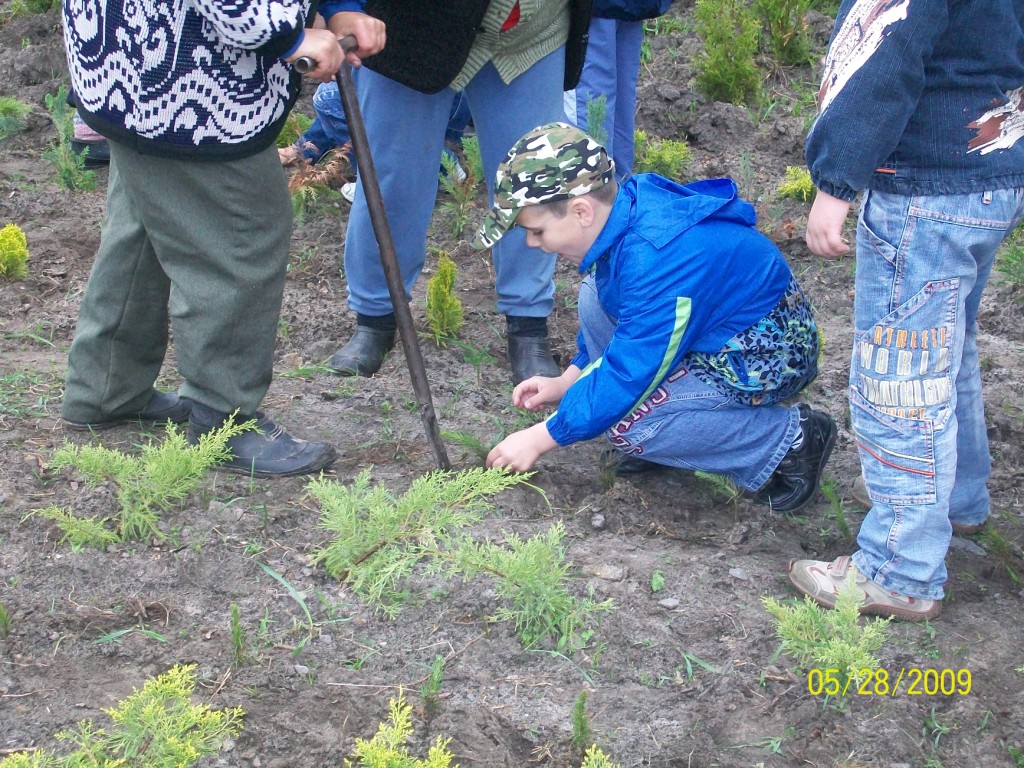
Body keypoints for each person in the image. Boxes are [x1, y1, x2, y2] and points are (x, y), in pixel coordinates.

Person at [60, 0, 385, 476]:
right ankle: (223, 418)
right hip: (191, 78)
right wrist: (286, 36)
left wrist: (337, 8)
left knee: (146, 220)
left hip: (128, 56)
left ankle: (106, 388)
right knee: (241, 230)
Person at [790, 0, 1024, 620]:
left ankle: (901, 567)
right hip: (992, 172)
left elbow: (886, 52)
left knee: (899, 380)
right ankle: (958, 499)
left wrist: (835, 181)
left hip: (923, 187)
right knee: (950, 348)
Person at [475, 122, 834, 514]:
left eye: (537, 231)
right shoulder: (627, 209)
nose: (532, 243)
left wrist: (543, 437)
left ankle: (790, 440)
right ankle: (669, 428)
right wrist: (569, 379)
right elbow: (630, 320)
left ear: (581, 211)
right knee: (596, 292)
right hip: (713, 331)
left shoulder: (656, 258)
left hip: (762, 355)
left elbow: (633, 367)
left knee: (628, 425)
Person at [327, 0, 592, 384]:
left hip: (532, 30)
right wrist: (343, 7)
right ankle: (376, 318)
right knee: (393, 178)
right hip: (415, 28)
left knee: (534, 180)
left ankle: (528, 324)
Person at [279, 82, 471, 203]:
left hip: (415, 79)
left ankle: (380, 182)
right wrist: (304, 148)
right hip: (448, 92)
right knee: (338, 92)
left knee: (329, 97)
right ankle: (306, 150)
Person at [563, 0, 672, 180]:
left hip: (593, 10)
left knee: (590, 110)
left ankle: (596, 194)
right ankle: (613, 194)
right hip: (625, 8)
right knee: (613, 107)